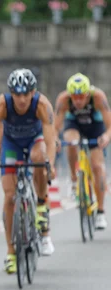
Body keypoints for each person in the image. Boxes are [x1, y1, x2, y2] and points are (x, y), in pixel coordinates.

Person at [0, 69, 57, 274]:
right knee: (9, 197)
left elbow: (51, 139)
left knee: (39, 158)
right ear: (11, 93)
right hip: (12, 144)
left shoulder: (42, 105)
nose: (22, 99)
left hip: (36, 141)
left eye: (26, 93)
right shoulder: (0, 106)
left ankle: (42, 204)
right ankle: (11, 252)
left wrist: (50, 164)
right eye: (17, 94)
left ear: (33, 92)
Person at [54, 73, 110, 229]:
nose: (78, 101)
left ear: (87, 94)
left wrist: (106, 136)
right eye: (74, 97)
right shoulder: (63, 99)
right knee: (71, 141)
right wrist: (55, 140)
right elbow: (55, 127)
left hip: (95, 126)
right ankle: (74, 180)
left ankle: (100, 211)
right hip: (74, 124)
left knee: (98, 167)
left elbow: (109, 124)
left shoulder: (98, 97)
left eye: (81, 97)